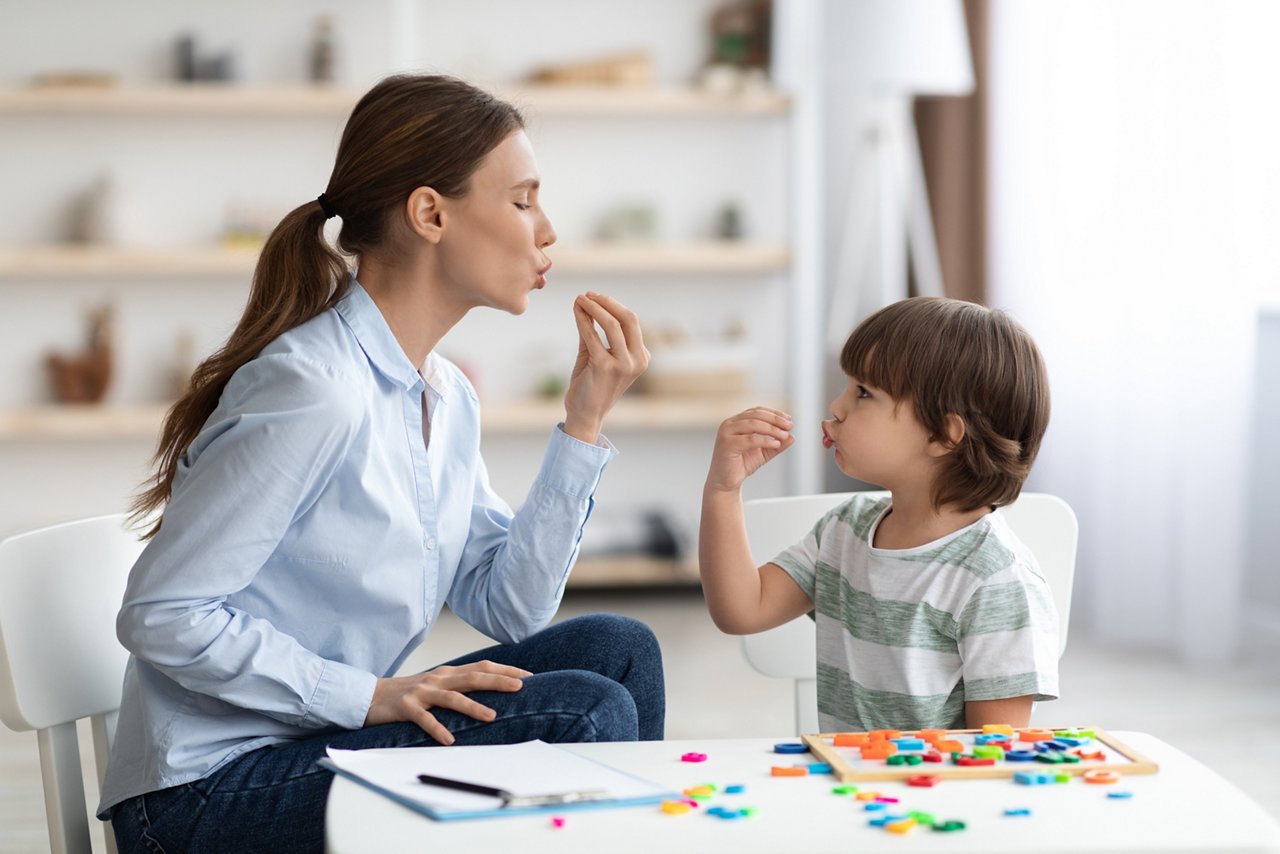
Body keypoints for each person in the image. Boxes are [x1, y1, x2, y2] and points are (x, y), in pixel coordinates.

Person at [97, 74, 664, 853]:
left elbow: (509, 608)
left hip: (312, 747)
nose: (548, 231)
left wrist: (584, 422)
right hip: (205, 794)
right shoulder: (312, 389)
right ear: (431, 213)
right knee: (584, 711)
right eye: (524, 199)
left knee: (621, 653)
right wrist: (369, 697)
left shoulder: (447, 395)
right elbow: (162, 615)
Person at [699, 296, 1057, 733]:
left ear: (944, 435)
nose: (837, 406)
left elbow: (996, 754)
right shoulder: (844, 530)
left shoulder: (997, 579)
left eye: (864, 393)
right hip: (846, 790)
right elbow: (742, 609)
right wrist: (723, 489)